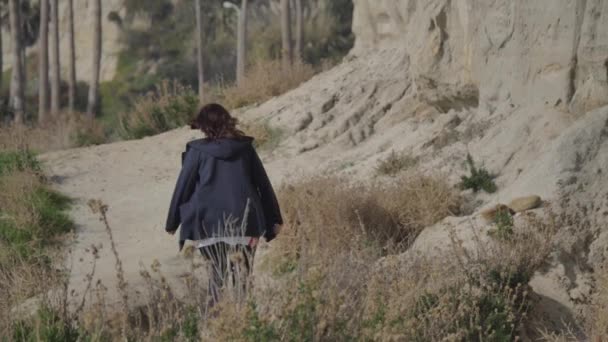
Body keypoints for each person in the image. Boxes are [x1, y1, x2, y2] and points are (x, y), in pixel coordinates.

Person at [165, 103, 283, 306]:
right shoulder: (245, 149)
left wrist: (172, 222)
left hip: (208, 225)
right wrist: (274, 219)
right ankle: (243, 327)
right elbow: (262, 184)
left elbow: (183, 187)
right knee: (242, 283)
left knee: (216, 280)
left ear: (202, 125)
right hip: (245, 224)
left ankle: (214, 329)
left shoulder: (197, 151)